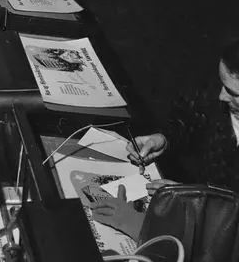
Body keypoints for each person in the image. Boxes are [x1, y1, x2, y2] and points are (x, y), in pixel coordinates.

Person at [92, 39, 239, 238]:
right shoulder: (218, 93)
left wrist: (198, 203)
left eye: (233, 93)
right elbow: (192, 118)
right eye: (223, 84)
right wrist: (164, 138)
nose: (222, 96)